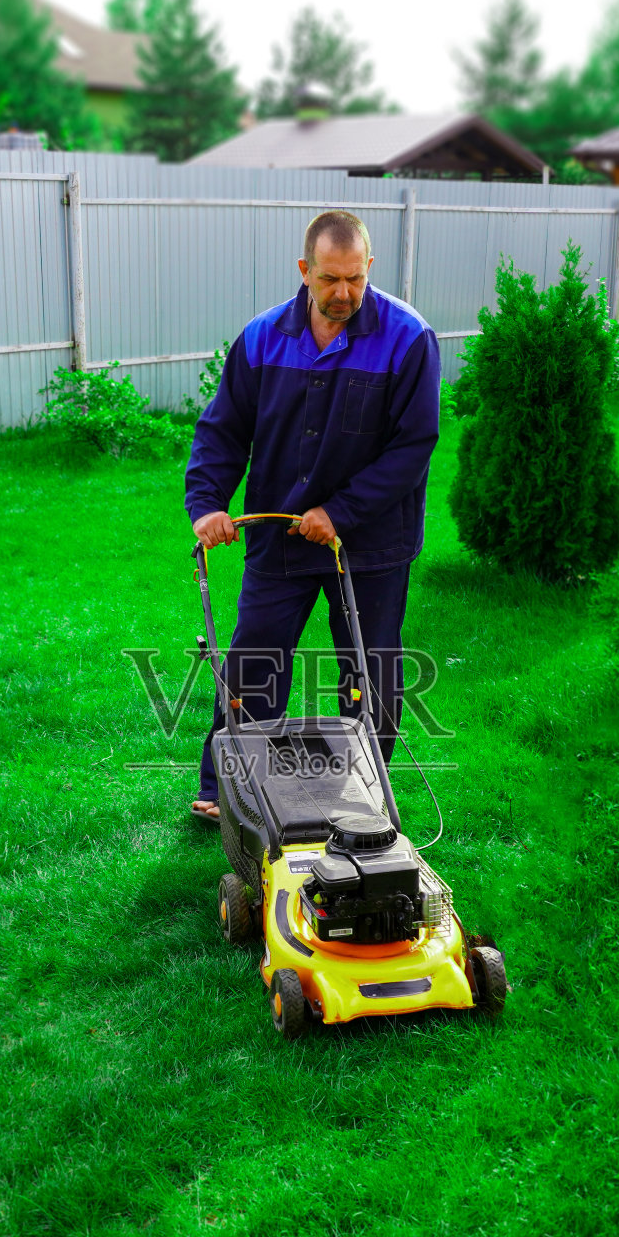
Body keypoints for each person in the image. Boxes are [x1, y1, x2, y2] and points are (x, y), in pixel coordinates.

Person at [185, 209, 442, 822]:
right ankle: (232, 791)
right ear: (305, 270)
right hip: (278, 535)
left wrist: (341, 511)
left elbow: (413, 447)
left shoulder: (408, 339)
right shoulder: (260, 339)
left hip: (373, 542)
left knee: (370, 668)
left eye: (355, 279)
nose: (344, 293)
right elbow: (223, 431)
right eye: (330, 279)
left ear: (369, 268)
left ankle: (364, 797)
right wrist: (209, 504)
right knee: (253, 661)